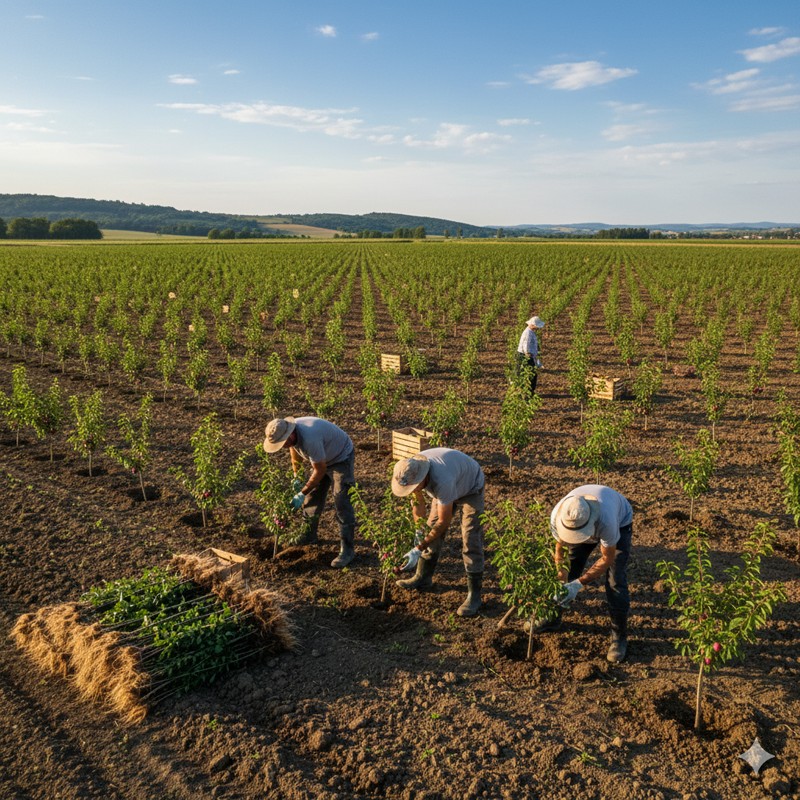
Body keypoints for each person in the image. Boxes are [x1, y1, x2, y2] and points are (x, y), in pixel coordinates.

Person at [537, 484, 633, 663]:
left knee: (615, 579)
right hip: (586, 522)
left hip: (620, 521)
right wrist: (561, 582)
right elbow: (560, 553)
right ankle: (553, 617)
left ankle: (619, 636)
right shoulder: (558, 516)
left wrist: (577, 584)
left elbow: (607, 559)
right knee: (572, 565)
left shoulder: (607, 521)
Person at [391, 448, 485, 617]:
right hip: (449, 483)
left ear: (422, 479)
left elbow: (444, 521)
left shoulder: (442, 480)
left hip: (471, 487)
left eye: (414, 488)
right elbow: (418, 505)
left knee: (470, 538)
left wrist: (419, 548)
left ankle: (474, 596)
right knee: (430, 529)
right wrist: (420, 532)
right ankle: (422, 577)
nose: (412, 491)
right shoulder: (411, 470)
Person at [263, 416, 356, 568]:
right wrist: (297, 475)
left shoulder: (310, 439)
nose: (282, 446)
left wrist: (302, 492)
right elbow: (294, 450)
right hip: (322, 456)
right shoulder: (292, 436)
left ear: (290, 435)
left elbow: (320, 470)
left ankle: (347, 550)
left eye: (282, 443)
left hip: (341, 457)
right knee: (312, 497)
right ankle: (308, 535)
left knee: (341, 500)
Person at [517, 315, 545, 395]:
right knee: (529, 374)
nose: (537, 328)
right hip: (525, 356)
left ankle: (529, 391)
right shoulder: (528, 333)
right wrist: (528, 355)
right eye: (536, 326)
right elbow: (526, 345)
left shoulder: (531, 332)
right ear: (532, 325)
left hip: (529, 355)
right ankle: (527, 392)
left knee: (531, 374)